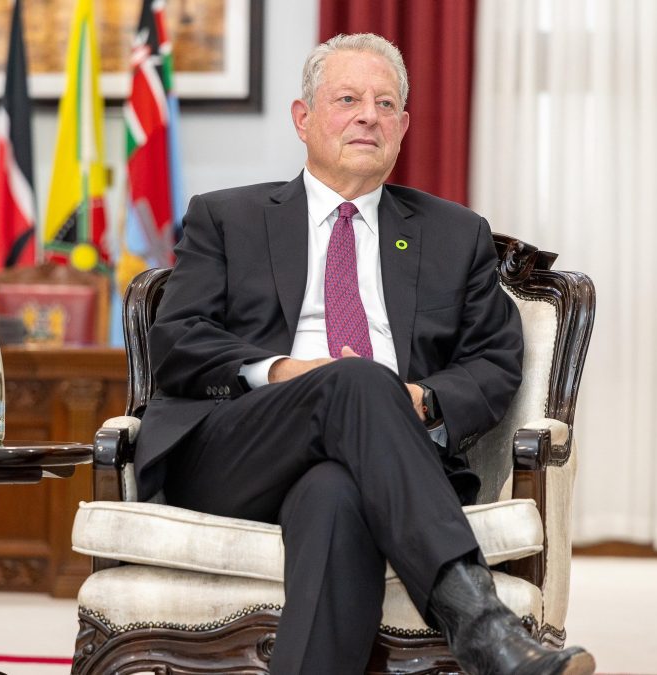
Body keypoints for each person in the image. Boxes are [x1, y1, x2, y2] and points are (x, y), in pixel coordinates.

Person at [134, 32, 595, 675]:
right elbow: (177, 338)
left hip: (381, 456)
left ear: (403, 126)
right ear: (304, 118)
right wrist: (287, 371)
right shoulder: (226, 218)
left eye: (384, 104)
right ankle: (484, 630)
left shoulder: (454, 235)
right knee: (354, 380)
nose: (367, 116)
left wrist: (426, 400)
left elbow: (494, 360)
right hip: (238, 450)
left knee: (335, 496)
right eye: (347, 98)